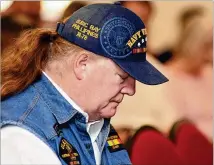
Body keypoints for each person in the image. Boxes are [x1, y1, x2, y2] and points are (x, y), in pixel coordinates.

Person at [1, 2, 168, 165]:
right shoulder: (23, 138)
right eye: (122, 76)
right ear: (83, 65)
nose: (131, 90)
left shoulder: (93, 117)